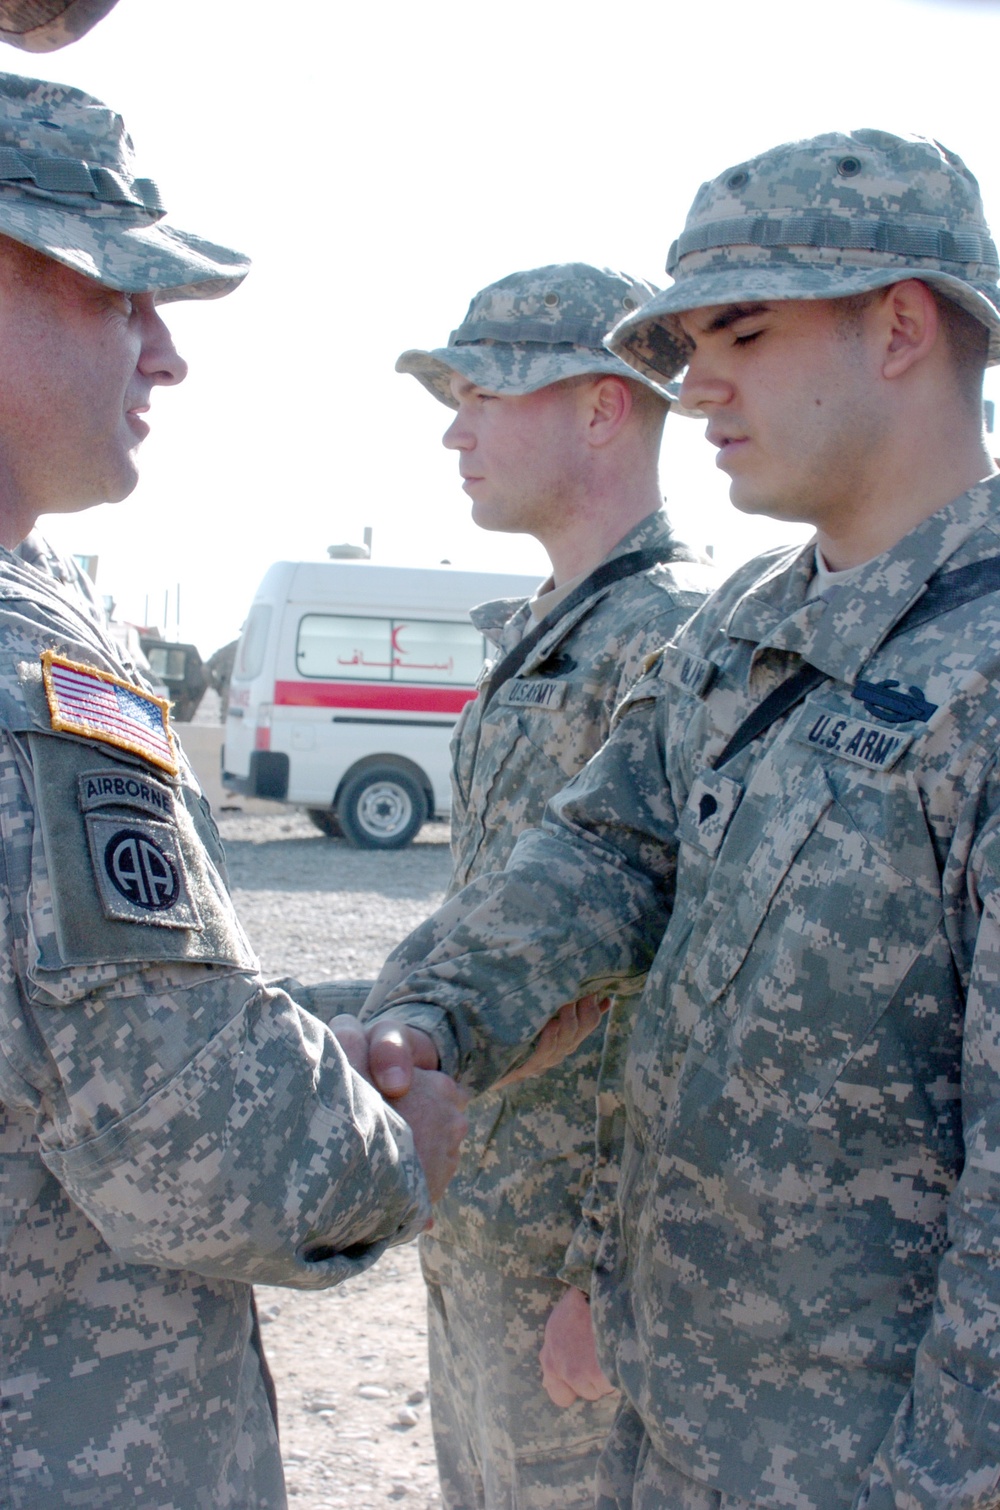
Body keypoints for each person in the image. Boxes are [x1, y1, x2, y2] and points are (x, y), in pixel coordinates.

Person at [348, 129, 1000, 1508]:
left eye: (743, 335)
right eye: (690, 345)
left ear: (901, 328)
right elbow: (602, 851)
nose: (696, 385)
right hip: (672, 1433)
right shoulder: (742, 631)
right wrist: (435, 1016)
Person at [0, 71, 467, 1510]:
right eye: (120, 293)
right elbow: (205, 1148)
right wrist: (403, 1139)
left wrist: (299, 1032)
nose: (166, 356)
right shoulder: (27, 682)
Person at [383, 264, 715, 1509]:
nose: (455, 432)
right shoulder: (547, 628)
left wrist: (606, 1271)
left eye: (484, 394)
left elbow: (685, 994)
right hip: (482, 1219)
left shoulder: (669, 640)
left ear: (601, 406)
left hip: (565, 1265)